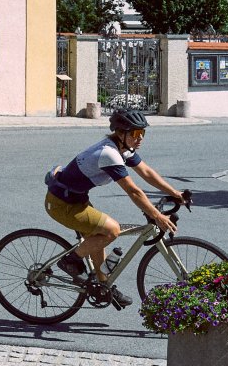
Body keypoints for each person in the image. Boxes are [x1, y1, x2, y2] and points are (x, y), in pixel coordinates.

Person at [44, 109, 182, 309]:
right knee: (111, 230)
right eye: (135, 133)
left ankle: (103, 286)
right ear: (120, 133)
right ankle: (70, 261)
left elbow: (147, 172)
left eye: (143, 132)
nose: (140, 138)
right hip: (61, 204)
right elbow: (133, 191)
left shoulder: (123, 149)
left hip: (76, 200)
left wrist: (175, 193)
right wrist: (156, 215)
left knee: (100, 235)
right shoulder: (108, 154)